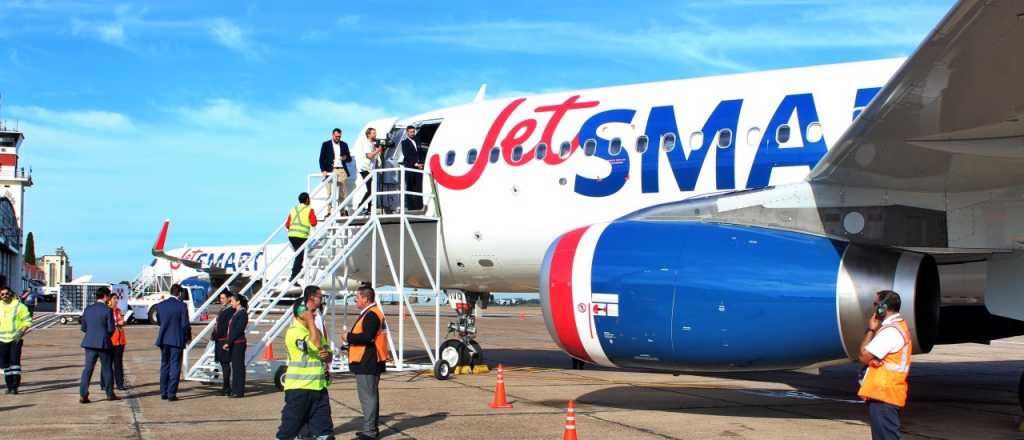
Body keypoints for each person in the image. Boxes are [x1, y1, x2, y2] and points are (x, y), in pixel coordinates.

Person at [275, 286, 334, 440]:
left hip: (319, 388)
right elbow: (314, 343)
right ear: (301, 313)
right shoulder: (294, 332)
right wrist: (309, 320)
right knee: (288, 431)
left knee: (325, 433)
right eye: (310, 313)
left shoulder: (316, 331)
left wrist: (327, 355)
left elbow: (328, 355)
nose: (314, 315)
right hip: (299, 390)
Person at [858, 290, 912, 440]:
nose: (874, 308)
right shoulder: (898, 326)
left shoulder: (890, 332)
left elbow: (863, 355)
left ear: (883, 307)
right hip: (887, 392)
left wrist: (871, 329)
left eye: (875, 304)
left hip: (883, 394)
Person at [343, 286, 390, 440]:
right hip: (369, 360)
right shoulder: (372, 313)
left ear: (365, 298)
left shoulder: (371, 315)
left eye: (357, 297)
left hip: (368, 361)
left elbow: (366, 337)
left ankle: (369, 432)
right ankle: (371, 429)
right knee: (370, 396)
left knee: (368, 398)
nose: (356, 300)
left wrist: (348, 337)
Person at [154, 284, 192, 402]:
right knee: (175, 366)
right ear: (179, 293)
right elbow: (185, 324)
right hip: (176, 339)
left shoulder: (160, 305)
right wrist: (187, 337)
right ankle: (171, 393)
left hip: (164, 339)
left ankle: (163, 392)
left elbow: (159, 321)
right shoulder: (182, 306)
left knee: (164, 365)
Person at [79, 286, 116, 403]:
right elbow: (111, 329)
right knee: (107, 369)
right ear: (105, 296)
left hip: (89, 342)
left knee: (88, 369)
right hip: (103, 343)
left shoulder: (88, 309)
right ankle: (109, 394)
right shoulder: (107, 310)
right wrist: (105, 336)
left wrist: (91, 334)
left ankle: (83, 394)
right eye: (109, 296)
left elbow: (83, 327)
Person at [0, 287, 31, 394]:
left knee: (15, 363)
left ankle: (15, 386)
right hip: (2, 339)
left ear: (11, 294)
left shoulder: (19, 306)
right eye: (2, 294)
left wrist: (20, 333)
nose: (5, 296)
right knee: (5, 364)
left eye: (7, 294)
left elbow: (27, 321)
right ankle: (9, 386)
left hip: (15, 339)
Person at [286, 192, 318, 280]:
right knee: (300, 256)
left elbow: (287, 225)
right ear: (307, 199)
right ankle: (294, 276)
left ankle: (297, 271)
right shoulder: (309, 209)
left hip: (291, 235)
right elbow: (314, 223)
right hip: (301, 236)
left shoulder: (293, 209)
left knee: (299, 255)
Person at [222, 293, 248, 398]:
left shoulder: (242, 313)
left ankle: (239, 391)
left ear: (238, 302)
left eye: (232, 301)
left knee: (238, 367)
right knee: (235, 367)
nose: (231, 302)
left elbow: (238, 330)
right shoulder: (236, 312)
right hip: (234, 343)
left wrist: (228, 342)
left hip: (238, 343)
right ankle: (235, 389)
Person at [319, 128, 352, 209]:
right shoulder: (326, 144)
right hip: (330, 170)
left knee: (342, 192)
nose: (338, 138)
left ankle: (342, 210)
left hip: (341, 170)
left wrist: (345, 158)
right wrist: (323, 170)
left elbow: (349, 159)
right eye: (336, 136)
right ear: (332, 135)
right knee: (329, 192)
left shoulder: (344, 144)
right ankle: (329, 212)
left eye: (339, 136)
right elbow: (321, 159)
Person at [356, 127, 384, 215]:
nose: (375, 135)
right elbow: (369, 156)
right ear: (368, 134)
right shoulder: (366, 144)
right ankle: (360, 207)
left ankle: (368, 209)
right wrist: (378, 150)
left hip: (371, 170)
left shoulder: (373, 144)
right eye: (373, 133)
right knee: (370, 190)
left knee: (372, 190)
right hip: (365, 169)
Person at [212, 290, 235, 396]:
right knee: (223, 364)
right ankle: (225, 387)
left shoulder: (230, 310)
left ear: (229, 298)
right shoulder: (224, 309)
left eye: (223, 298)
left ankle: (226, 387)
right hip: (219, 339)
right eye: (220, 298)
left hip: (224, 339)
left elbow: (226, 326)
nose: (221, 300)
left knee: (225, 364)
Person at [399, 126, 424, 211]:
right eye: (411, 132)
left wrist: (421, 163)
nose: (412, 133)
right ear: (407, 133)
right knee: (410, 186)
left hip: (418, 168)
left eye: (413, 132)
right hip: (410, 167)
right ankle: (410, 206)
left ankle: (418, 205)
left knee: (418, 186)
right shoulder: (404, 142)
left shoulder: (417, 141)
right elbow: (407, 155)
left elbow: (420, 153)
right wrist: (416, 164)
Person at [108, 292, 128, 391]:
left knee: (118, 363)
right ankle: (105, 383)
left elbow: (121, 321)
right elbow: (108, 324)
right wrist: (117, 323)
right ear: (109, 300)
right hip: (111, 340)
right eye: (114, 298)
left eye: (117, 298)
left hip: (120, 340)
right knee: (107, 363)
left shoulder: (119, 310)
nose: (116, 300)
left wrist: (122, 322)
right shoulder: (108, 311)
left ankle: (120, 383)